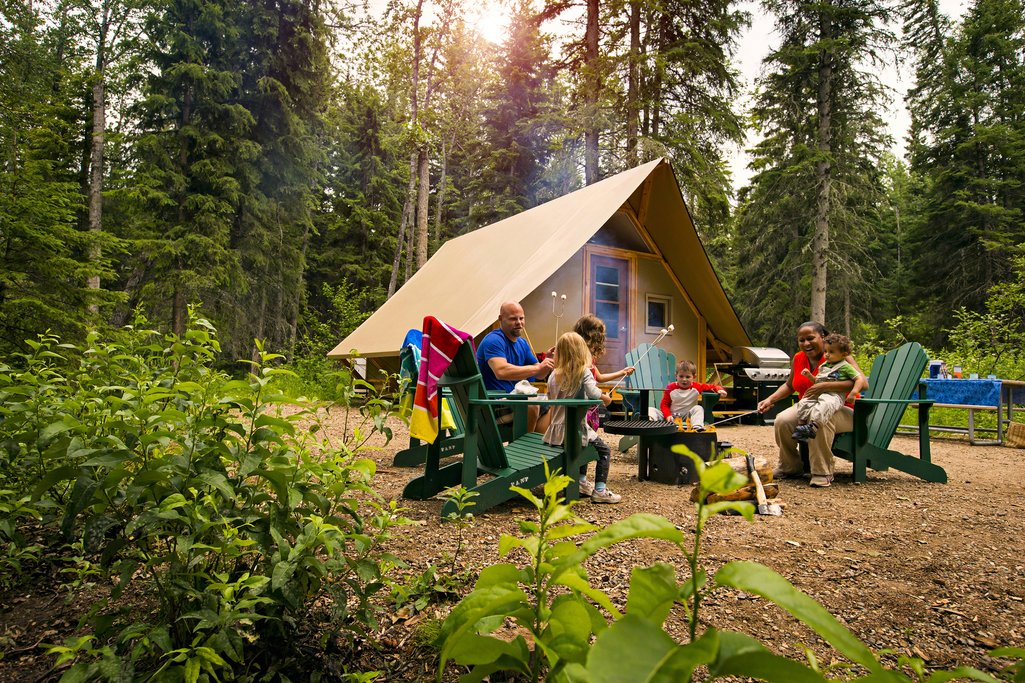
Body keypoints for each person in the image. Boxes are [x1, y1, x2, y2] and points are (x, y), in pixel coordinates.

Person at [756, 321, 868, 488]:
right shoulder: (798, 358)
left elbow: (863, 383)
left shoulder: (837, 354)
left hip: (843, 409)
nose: (806, 344)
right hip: (809, 405)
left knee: (821, 419)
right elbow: (789, 385)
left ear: (822, 337)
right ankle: (790, 467)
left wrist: (825, 386)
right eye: (802, 340)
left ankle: (822, 472)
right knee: (783, 420)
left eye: (810, 338)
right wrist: (770, 399)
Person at [544, 332, 621, 503]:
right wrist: (606, 398)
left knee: (584, 447)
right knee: (604, 451)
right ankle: (600, 491)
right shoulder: (583, 371)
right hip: (576, 429)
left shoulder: (552, 375)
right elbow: (594, 393)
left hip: (556, 430)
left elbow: (549, 399)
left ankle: (580, 482)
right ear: (581, 351)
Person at [476, 302, 555, 432]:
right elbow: (501, 371)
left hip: (515, 402)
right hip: (493, 406)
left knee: (557, 407)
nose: (519, 322)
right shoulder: (494, 340)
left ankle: (535, 450)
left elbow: (540, 374)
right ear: (501, 319)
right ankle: (523, 449)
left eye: (521, 318)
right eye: (513, 318)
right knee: (531, 404)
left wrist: (548, 362)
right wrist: (537, 368)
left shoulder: (522, 343)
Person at [791, 333, 866, 442]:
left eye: (831, 352)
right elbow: (818, 381)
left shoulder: (845, 366)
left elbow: (860, 380)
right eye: (825, 351)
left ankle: (813, 427)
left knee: (824, 405)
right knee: (804, 402)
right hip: (820, 394)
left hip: (834, 396)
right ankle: (801, 426)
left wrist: (853, 393)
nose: (826, 355)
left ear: (843, 354)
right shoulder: (824, 366)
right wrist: (809, 376)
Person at [659, 359, 728, 430]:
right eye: (681, 376)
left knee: (698, 408)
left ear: (694, 377)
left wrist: (720, 389)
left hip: (688, 416)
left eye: (688, 377)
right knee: (651, 410)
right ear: (676, 376)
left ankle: (697, 427)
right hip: (671, 416)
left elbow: (712, 386)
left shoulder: (696, 387)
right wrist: (667, 415)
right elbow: (664, 404)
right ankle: (651, 427)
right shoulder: (670, 387)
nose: (684, 379)